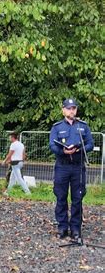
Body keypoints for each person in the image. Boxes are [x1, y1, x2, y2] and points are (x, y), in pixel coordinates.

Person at [49, 98, 94, 240]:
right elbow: (52, 146)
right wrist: (63, 151)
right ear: (63, 110)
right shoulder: (56, 127)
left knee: (77, 198)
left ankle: (75, 228)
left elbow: (90, 144)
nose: (71, 111)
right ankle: (62, 227)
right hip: (62, 166)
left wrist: (79, 149)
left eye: (74, 108)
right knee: (61, 197)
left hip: (77, 166)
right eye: (69, 108)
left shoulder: (83, 127)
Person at [2, 132, 31, 196]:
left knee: (19, 178)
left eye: (10, 137)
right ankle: (8, 192)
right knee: (12, 178)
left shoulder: (13, 145)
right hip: (20, 162)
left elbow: (10, 154)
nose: (9, 138)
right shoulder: (21, 144)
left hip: (15, 163)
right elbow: (24, 154)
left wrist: (5, 161)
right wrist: (22, 161)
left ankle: (28, 192)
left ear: (12, 137)